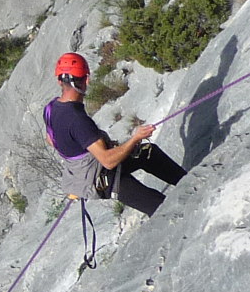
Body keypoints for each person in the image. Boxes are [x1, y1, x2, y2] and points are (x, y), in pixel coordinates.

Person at [42, 52, 185, 216]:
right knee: (163, 209)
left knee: (147, 153)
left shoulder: (51, 108)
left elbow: (51, 140)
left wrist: (75, 151)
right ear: (86, 80)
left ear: (59, 80)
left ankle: (187, 181)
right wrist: (136, 138)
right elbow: (108, 161)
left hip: (85, 172)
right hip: (101, 178)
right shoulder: (78, 120)